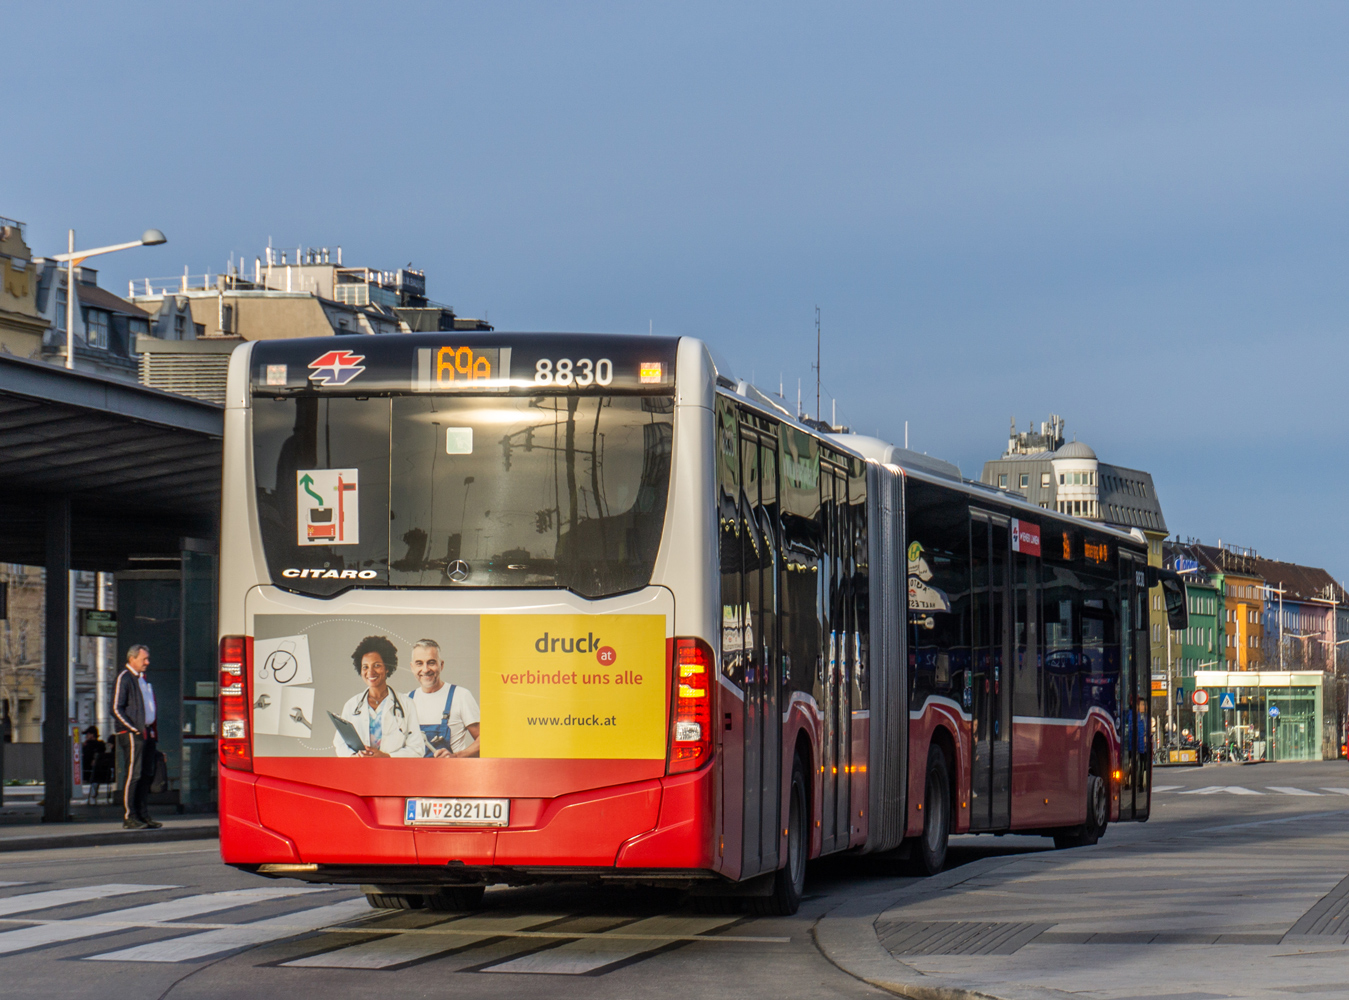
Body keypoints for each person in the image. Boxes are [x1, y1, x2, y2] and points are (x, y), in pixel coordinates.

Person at [333, 636, 427, 758]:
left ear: (387, 667)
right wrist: (354, 757)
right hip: (360, 771)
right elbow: (339, 744)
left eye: (376, 665)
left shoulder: (407, 704)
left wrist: (387, 757)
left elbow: (417, 749)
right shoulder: (352, 705)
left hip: (393, 773)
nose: (370, 672)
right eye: (365, 667)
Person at [112, 645, 162, 830]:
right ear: (132, 659)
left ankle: (143, 814)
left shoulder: (143, 680)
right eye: (144, 659)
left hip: (147, 732)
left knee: (146, 775)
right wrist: (134, 728)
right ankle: (130, 816)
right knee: (134, 774)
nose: (147, 662)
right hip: (134, 734)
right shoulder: (124, 678)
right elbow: (116, 708)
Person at [406, 639, 480, 758]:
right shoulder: (405, 701)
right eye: (419, 663)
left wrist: (456, 757)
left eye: (431, 662)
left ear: (441, 665)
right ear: (412, 667)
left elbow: (484, 741)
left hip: (450, 774)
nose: (425, 669)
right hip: (413, 775)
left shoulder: (460, 696)